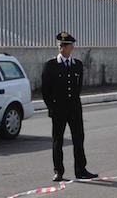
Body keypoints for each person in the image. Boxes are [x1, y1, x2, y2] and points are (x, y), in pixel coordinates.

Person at [41, 32, 97, 182]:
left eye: (66, 45)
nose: (62, 48)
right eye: (61, 45)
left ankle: (81, 170)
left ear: (70, 48)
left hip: (74, 109)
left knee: (79, 139)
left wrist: (73, 103)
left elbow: (78, 87)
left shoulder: (77, 65)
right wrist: (51, 107)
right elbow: (45, 90)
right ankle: (58, 171)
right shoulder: (51, 65)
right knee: (57, 141)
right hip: (58, 109)